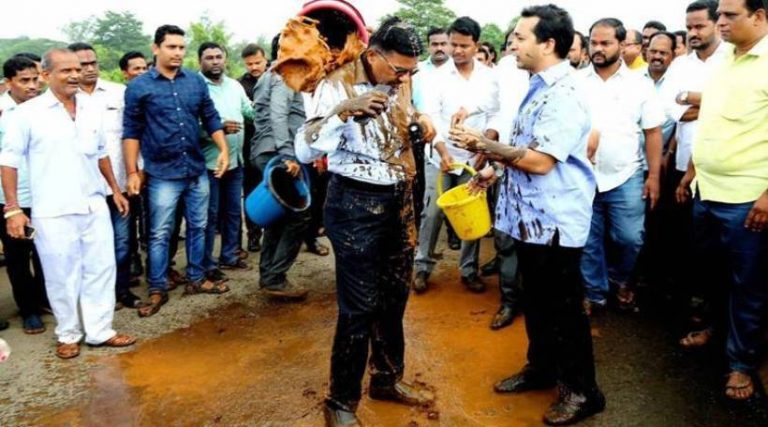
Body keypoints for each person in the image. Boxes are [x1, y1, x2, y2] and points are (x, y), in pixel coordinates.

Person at [450, 5, 605, 424]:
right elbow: (524, 146)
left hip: (554, 221)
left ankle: (582, 391)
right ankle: (541, 369)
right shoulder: (535, 86)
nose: (511, 44)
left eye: (520, 37)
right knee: (536, 302)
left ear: (548, 44)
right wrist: (490, 169)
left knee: (564, 308)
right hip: (528, 218)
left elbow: (540, 162)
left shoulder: (566, 93)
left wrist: (485, 143)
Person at [295, 17, 437, 427]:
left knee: (394, 297)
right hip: (355, 205)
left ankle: (387, 379)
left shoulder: (401, 79)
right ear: (373, 56)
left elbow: (407, 115)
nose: (405, 78)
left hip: (399, 199)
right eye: (398, 70)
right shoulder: (334, 84)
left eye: (412, 71)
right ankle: (340, 402)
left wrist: (424, 122)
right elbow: (304, 149)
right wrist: (343, 113)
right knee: (359, 307)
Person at [0, 48, 136, 359]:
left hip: (93, 204)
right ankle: (69, 334)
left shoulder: (90, 107)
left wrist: (114, 189)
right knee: (61, 274)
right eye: (66, 71)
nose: (75, 75)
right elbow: (8, 163)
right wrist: (13, 209)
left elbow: (100, 152)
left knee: (101, 269)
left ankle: (101, 331)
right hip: (52, 209)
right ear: (46, 75)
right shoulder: (26, 115)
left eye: (77, 69)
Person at [675, 0, 768, 401]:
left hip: (747, 198)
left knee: (748, 284)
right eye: (720, 15)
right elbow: (710, 119)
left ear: (760, 16)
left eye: (731, 15)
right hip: (706, 190)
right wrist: (691, 174)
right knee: (710, 273)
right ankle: (715, 330)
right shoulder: (723, 58)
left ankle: (741, 364)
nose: (720, 22)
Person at [123, 25, 231, 318]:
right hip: (161, 174)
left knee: (199, 226)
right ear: (156, 48)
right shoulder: (139, 86)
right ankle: (157, 287)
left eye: (182, 48)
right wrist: (132, 171)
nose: (178, 53)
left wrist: (224, 150)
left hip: (195, 168)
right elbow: (131, 131)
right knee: (159, 233)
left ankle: (196, 278)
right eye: (171, 47)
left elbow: (210, 117)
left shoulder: (195, 82)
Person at [578, 18, 665, 314]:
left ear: (621, 45)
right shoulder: (575, 82)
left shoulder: (640, 85)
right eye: (594, 43)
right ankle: (594, 292)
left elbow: (653, 132)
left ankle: (620, 279)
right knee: (588, 240)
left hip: (626, 174)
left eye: (606, 43)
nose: (598, 49)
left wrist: (653, 176)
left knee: (629, 238)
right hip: (584, 176)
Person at [662, 0, 729, 349]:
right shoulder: (681, 64)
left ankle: (717, 318)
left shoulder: (732, 59)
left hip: (723, 172)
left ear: (718, 24)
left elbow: (734, 104)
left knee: (720, 252)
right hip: (684, 167)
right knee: (687, 243)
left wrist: (697, 99)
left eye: (699, 26)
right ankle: (693, 307)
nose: (692, 33)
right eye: (688, 27)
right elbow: (668, 106)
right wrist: (692, 103)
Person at [415, 16, 499, 294]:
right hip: (440, 156)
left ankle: (468, 270)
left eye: (464, 45)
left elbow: (496, 112)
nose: (457, 50)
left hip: (475, 158)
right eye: (454, 45)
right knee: (433, 212)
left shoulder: (489, 77)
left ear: (476, 44)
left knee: (471, 212)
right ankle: (422, 267)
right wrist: (440, 149)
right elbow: (431, 117)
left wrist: (486, 146)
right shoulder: (435, 77)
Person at [69, 42, 144, 311]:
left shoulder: (119, 93)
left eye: (93, 63)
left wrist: (138, 170)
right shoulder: (64, 100)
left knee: (123, 243)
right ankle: (92, 297)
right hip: (82, 191)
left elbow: (133, 134)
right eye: (81, 64)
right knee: (88, 247)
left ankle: (120, 290)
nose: (89, 69)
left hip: (121, 185)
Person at [251, 35, 311, 300]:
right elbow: (278, 115)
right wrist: (288, 155)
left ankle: (270, 276)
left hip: (270, 150)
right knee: (299, 215)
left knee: (277, 218)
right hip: (278, 152)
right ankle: (275, 276)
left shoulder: (271, 74)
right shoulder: (283, 74)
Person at [197, 42, 254, 284]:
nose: (215, 61)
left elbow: (249, 111)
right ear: (200, 61)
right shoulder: (196, 86)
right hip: (209, 164)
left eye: (219, 56)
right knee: (209, 216)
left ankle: (229, 255)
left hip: (236, 161)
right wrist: (217, 128)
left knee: (232, 212)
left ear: (226, 59)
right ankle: (207, 264)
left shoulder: (234, 85)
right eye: (209, 57)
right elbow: (189, 126)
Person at [0, 55, 48, 334]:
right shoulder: (3, 113)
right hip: (12, 199)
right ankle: (28, 310)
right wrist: (11, 206)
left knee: (46, 253)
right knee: (18, 257)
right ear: (9, 83)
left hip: (44, 196)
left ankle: (43, 300)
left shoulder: (45, 108)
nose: (33, 86)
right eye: (24, 81)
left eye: (35, 79)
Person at [118, 50, 149, 283]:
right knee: (128, 216)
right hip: (126, 169)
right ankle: (131, 258)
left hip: (149, 164)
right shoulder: (118, 97)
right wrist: (133, 170)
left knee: (144, 214)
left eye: (143, 68)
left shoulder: (152, 93)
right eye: (135, 68)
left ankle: (141, 253)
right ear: (125, 73)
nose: (140, 72)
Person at [239, 43, 268, 253]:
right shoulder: (240, 86)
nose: (254, 67)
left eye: (257, 62)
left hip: (276, 147)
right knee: (251, 192)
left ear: (265, 59)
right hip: (249, 148)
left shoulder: (279, 80)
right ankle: (253, 234)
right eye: (249, 64)